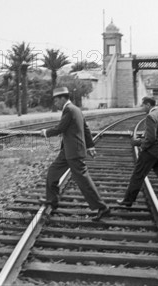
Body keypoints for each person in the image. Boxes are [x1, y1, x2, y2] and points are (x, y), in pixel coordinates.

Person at [40, 87, 110, 221]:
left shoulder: (69, 110)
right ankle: (52, 200)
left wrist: (45, 132)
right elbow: (86, 128)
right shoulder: (76, 109)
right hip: (68, 150)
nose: (55, 104)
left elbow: (60, 128)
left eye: (56, 101)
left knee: (83, 181)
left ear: (62, 98)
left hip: (74, 151)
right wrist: (90, 146)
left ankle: (103, 208)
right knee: (53, 171)